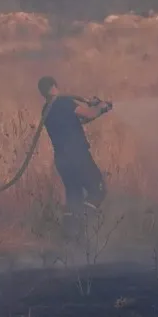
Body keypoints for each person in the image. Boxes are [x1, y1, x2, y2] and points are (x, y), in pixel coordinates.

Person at [37, 76, 113, 238]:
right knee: (98, 190)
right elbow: (88, 114)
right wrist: (102, 106)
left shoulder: (46, 110)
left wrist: (96, 109)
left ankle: (69, 236)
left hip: (62, 160)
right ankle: (83, 226)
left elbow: (76, 121)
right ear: (54, 86)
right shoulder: (64, 102)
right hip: (77, 155)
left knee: (74, 196)